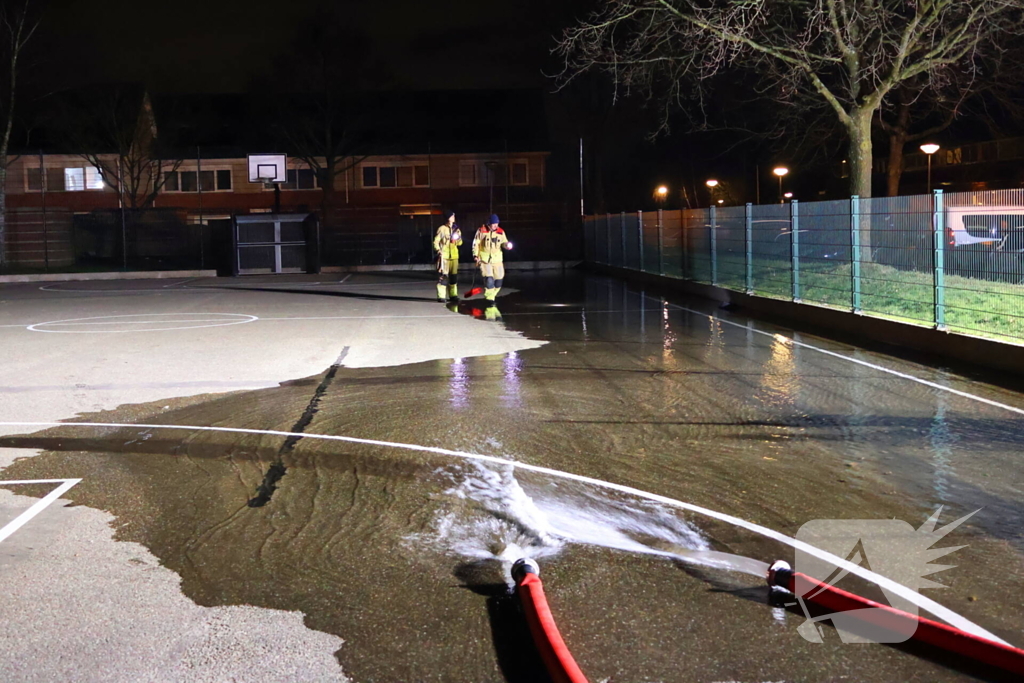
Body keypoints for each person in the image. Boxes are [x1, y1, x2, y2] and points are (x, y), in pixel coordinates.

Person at [472, 213, 513, 305]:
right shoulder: (481, 231)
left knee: (499, 279)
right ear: (489, 223)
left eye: (497, 224)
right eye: (494, 224)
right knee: (489, 279)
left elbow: (504, 242)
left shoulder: (501, 232)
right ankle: (490, 299)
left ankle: (492, 294)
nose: (495, 226)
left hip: (497, 260)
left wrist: (507, 245)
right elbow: (476, 244)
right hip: (485, 260)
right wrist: (475, 255)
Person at [433, 210, 462, 302]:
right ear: (448, 218)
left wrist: (457, 240)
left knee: (453, 277)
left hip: (454, 256)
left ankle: (453, 295)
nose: (454, 218)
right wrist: (438, 250)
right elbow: (436, 241)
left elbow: (460, 243)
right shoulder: (442, 229)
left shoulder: (456, 229)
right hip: (444, 256)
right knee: (443, 276)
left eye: (454, 216)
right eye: (452, 216)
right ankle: (441, 296)